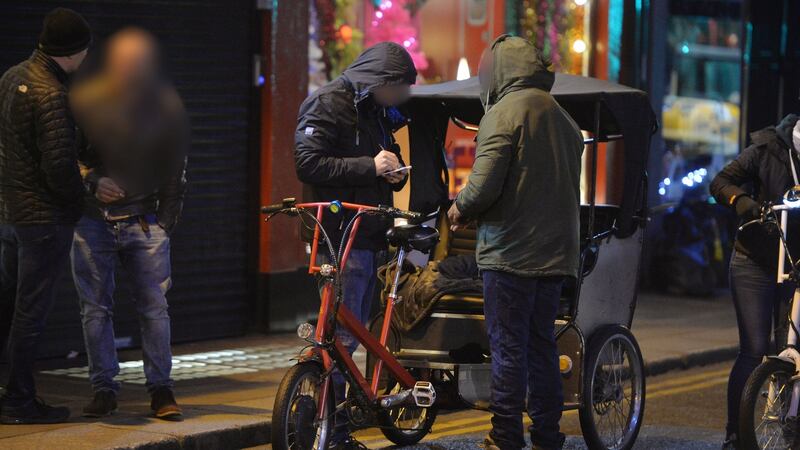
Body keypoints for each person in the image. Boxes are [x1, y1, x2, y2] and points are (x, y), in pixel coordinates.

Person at [448, 35, 583, 450]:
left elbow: (485, 182)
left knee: (507, 348)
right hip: (555, 255)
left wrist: (459, 209)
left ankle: (505, 435)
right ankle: (547, 435)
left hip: (510, 254)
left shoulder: (504, 113)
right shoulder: (564, 118)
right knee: (542, 344)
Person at [294, 41, 414, 449]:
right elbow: (307, 163)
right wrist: (370, 166)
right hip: (339, 236)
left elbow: (386, 154)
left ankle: (336, 423)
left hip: (368, 232)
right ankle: (335, 432)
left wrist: (394, 170)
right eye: (397, 88)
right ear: (380, 80)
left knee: (354, 336)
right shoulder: (328, 103)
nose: (400, 98)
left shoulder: (375, 109)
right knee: (341, 339)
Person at [69, 28, 189, 421]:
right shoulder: (86, 100)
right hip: (92, 221)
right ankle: (104, 388)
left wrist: (164, 223)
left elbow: (175, 168)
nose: (131, 69)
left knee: (154, 309)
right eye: (124, 61)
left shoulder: (164, 105)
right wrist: (91, 181)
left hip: (144, 221)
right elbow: (62, 154)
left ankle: (161, 390)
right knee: (95, 309)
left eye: (139, 62)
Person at [0, 7, 90, 424]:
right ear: (74, 51)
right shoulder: (52, 92)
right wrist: (81, 201)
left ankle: (9, 395)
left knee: (8, 307)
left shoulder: (13, 77)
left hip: (9, 216)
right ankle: (18, 401)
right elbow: (58, 166)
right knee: (29, 315)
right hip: (41, 220)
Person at [710, 113, 800, 449]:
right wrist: (742, 201)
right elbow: (720, 182)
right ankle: (736, 434)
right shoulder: (768, 147)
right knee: (753, 349)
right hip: (755, 260)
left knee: (789, 350)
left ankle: (792, 427)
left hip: (796, 265)